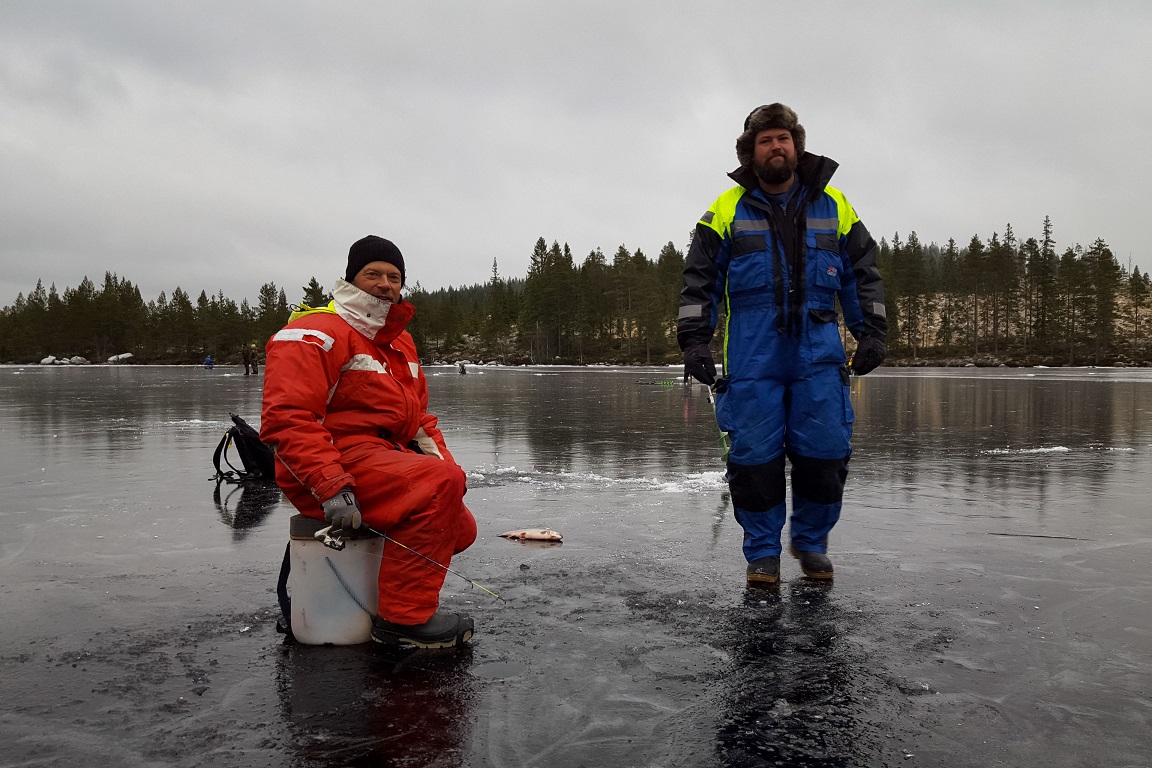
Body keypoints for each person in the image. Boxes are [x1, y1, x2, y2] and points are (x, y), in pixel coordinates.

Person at [678, 103, 887, 585]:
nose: (777, 146)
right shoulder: (725, 210)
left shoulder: (835, 205)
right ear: (750, 152)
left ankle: (812, 545)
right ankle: (762, 554)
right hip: (752, 355)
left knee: (826, 453)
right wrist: (695, 341)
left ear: (797, 145)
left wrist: (871, 331)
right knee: (754, 459)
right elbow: (699, 283)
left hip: (818, 354)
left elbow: (863, 275)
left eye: (784, 138)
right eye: (766, 140)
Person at [261, 235, 477, 647]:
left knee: (460, 526)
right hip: (328, 464)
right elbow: (289, 418)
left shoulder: (399, 342)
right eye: (372, 274)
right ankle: (403, 622)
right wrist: (331, 486)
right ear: (351, 277)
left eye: (393, 276)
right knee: (436, 489)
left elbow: (420, 420)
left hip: (381, 459)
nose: (384, 284)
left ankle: (373, 595)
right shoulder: (313, 332)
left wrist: (451, 471)